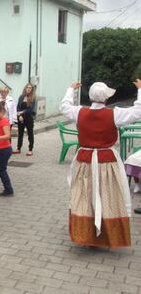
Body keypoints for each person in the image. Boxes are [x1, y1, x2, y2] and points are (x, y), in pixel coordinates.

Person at [59, 80, 141, 248]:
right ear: (105, 98)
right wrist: (140, 91)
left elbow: (64, 106)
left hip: (84, 161)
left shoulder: (80, 112)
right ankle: (106, 234)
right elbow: (138, 111)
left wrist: (70, 90)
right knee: (108, 195)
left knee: (85, 195)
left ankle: (86, 235)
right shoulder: (114, 114)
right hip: (107, 161)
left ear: (91, 98)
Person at [13, 83, 36, 156]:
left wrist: (21, 112)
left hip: (29, 117)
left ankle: (30, 149)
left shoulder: (33, 98)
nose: (28, 89)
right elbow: (18, 107)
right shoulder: (21, 97)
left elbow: (30, 109)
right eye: (27, 87)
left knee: (30, 133)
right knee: (20, 133)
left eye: (30, 88)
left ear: (32, 89)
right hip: (20, 117)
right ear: (25, 88)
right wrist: (19, 115)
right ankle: (18, 148)